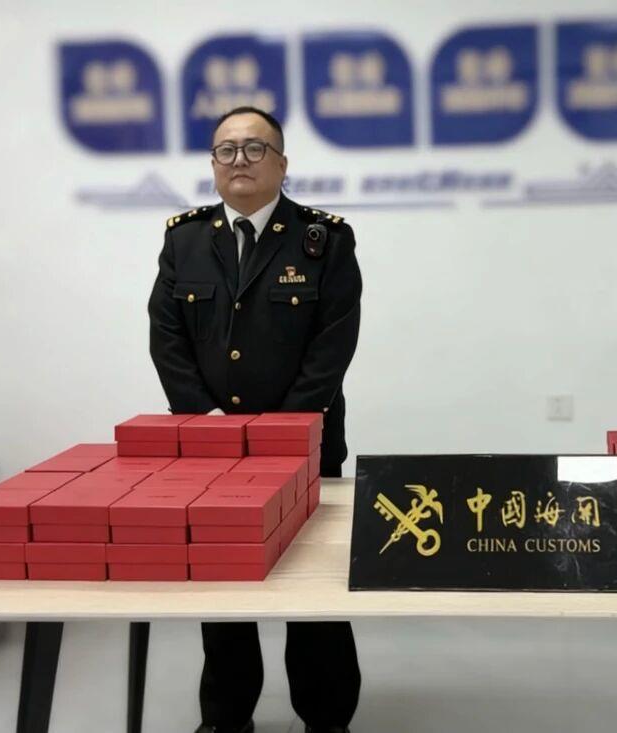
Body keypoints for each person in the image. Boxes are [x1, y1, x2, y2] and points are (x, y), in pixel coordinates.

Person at [148, 105, 363, 733]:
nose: (238, 160)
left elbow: (333, 343)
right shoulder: (185, 239)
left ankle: (327, 717)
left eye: (253, 148)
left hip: (307, 444)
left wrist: (279, 433)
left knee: (314, 588)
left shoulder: (324, 239)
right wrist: (212, 422)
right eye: (226, 150)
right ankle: (225, 715)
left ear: (282, 163)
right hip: (212, 449)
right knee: (223, 589)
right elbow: (167, 338)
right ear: (213, 164)